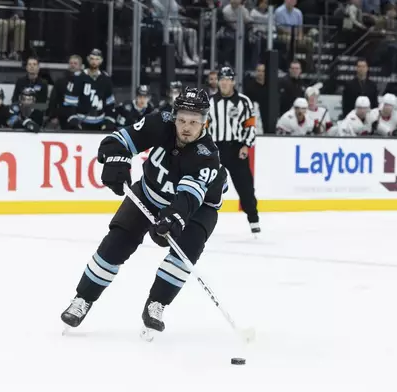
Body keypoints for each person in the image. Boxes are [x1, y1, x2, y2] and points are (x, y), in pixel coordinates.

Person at [60, 87, 228, 338]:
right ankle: (82, 299)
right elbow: (120, 140)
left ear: (205, 123)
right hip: (149, 193)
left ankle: (156, 303)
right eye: (182, 120)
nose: (186, 128)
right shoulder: (160, 123)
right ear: (174, 117)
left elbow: (188, 198)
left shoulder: (207, 156)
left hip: (198, 210)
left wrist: (173, 219)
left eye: (194, 122)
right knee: (116, 242)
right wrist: (115, 159)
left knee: (184, 254)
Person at [208, 66, 260, 234]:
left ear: (233, 82)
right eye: (221, 79)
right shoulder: (210, 102)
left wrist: (246, 145)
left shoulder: (243, 101)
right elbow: (203, 127)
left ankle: (253, 218)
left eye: (227, 80)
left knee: (245, 186)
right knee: (207, 184)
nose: (224, 83)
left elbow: (250, 125)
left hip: (237, 148)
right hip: (215, 149)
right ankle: (200, 219)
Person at [64, 49, 116, 130]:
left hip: (100, 122)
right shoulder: (78, 77)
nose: (94, 61)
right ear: (88, 59)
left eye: (97, 59)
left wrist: (108, 121)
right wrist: (73, 120)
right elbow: (69, 103)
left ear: (101, 61)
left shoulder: (106, 79)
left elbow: (110, 103)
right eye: (92, 58)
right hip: (81, 122)